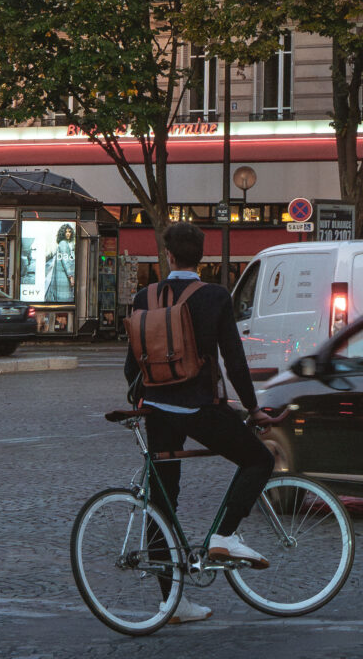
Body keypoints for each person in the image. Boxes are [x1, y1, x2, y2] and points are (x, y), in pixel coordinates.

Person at [123, 222, 274, 624]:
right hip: (199, 407)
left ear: (168, 256)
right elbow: (234, 360)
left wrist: (144, 397)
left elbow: (130, 365)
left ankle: (171, 603)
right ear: (202, 258)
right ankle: (224, 535)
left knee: (162, 502)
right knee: (259, 460)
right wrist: (253, 407)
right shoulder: (215, 297)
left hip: (156, 408)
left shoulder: (145, 295)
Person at [45, 224, 75, 302]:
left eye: (69, 232)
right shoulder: (64, 244)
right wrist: (71, 276)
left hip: (61, 276)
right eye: (66, 232)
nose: (68, 233)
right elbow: (66, 261)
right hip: (63, 277)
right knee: (64, 298)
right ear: (63, 233)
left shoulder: (62, 243)